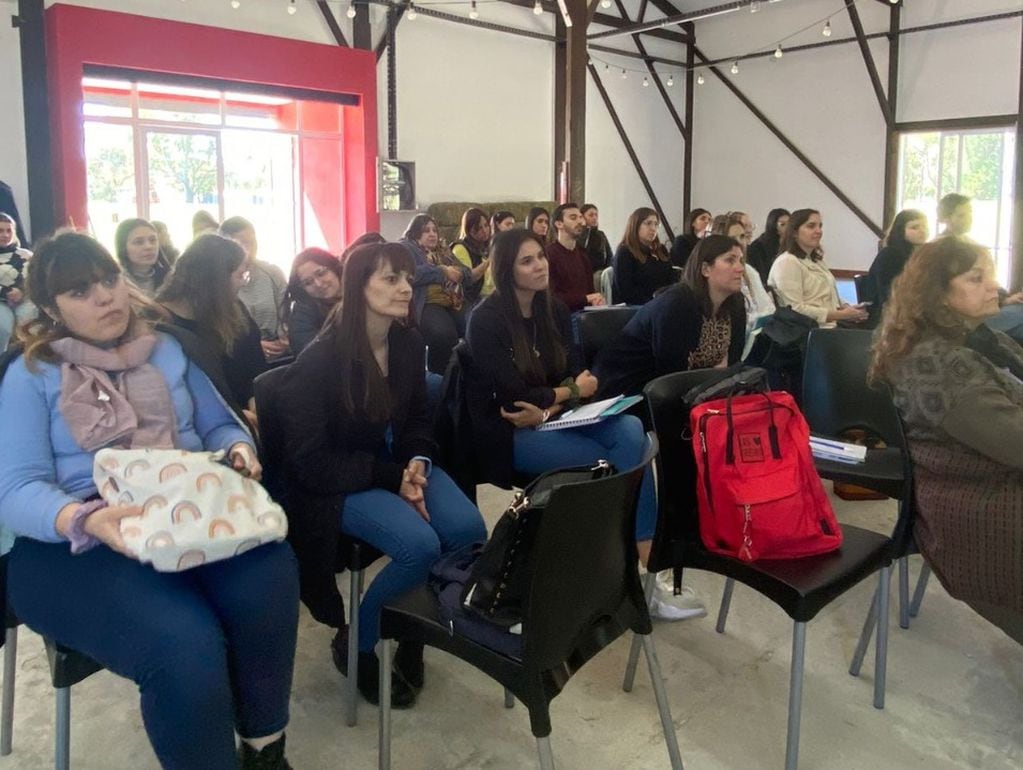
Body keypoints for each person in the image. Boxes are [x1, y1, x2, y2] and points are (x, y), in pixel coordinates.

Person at [0, 231, 299, 770]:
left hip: (179, 508)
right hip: (76, 538)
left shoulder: (166, 347)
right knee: (184, 644)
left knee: (270, 573)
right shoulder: (31, 374)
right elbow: (14, 490)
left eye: (109, 280)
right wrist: (84, 518)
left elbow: (217, 424)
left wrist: (236, 448)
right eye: (80, 291)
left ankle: (264, 750)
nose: (105, 297)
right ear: (49, 307)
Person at [279, 241, 487, 706]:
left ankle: (411, 628)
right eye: (390, 278)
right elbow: (311, 462)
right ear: (359, 288)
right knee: (419, 546)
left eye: (407, 278)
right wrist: (393, 476)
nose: (404, 287)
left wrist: (416, 461)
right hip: (338, 479)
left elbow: (416, 418)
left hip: (391, 462)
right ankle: (359, 639)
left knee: (469, 528)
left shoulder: (407, 342)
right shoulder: (319, 361)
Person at [465, 229, 702, 621]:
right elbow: (513, 399)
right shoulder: (485, 320)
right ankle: (625, 569)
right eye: (527, 260)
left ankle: (634, 562)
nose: (540, 264)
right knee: (616, 460)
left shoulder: (554, 310)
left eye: (540, 256)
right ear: (505, 269)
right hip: (509, 434)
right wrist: (565, 393)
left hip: (556, 420)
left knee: (631, 433)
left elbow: (581, 376)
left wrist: (557, 399)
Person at [870, 237, 1023, 645]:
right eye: (977, 278)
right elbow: (1017, 444)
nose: (995, 285)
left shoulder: (980, 340)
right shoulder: (939, 364)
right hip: (977, 506)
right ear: (937, 292)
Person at [594, 234, 747, 398]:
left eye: (740, 260)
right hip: (628, 388)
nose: (740, 268)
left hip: (687, 390)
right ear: (705, 269)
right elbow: (671, 376)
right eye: (730, 260)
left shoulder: (735, 304)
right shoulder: (677, 303)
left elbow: (733, 366)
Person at [156, 234, 267, 415]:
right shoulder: (161, 325)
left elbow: (255, 367)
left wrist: (256, 404)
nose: (242, 283)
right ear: (217, 279)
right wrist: (237, 416)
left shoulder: (233, 309)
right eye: (240, 276)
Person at [768, 208, 868, 328]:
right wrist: (841, 314)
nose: (818, 231)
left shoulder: (816, 261)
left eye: (820, 226)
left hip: (830, 325)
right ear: (794, 233)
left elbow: (828, 294)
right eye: (811, 226)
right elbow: (795, 310)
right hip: (809, 331)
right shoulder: (787, 262)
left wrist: (847, 308)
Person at [400, 213, 469, 374]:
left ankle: (465, 376)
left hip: (451, 299)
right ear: (414, 232)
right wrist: (441, 271)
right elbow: (410, 274)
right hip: (425, 302)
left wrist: (460, 273)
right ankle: (440, 379)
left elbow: (465, 271)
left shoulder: (443, 250)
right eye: (426, 231)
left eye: (434, 231)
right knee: (443, 334)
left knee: (475, 323)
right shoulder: (406, 247)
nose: (432, 234)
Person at [220, 216, 289, 361]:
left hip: (278, 350)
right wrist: (253, 345)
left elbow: (285, 313)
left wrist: (284, 340)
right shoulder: (219, 281)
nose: (249, 248)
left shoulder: (272, 273)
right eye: (242, 243)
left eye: (252, 242)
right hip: (241, 353)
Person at [713, 212, 775, 343]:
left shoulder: (749, 271)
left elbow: (767, 308)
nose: (740, 243)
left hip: (756, 337)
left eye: (742, 236)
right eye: (732, 237)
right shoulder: (716, 274)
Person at [864, 209, 928, 316]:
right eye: (915, 227)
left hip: (912, 311)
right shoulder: (889, 255)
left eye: (925, 226)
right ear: (901, 230)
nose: (922, 230)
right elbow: (889, 294)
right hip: (887, 316)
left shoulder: (924, 255)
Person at [281, 247, 343, 356]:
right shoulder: (302, 314)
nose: (318, 284)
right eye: (308, 282)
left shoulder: (361, 293)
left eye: (321, 273)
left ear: (334, 268)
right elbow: (313, 356)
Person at [546, 203, 605, 312]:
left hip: (584, 314)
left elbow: (590, 291)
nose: (580, 222)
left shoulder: (582, 254)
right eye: (573, 218)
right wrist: (586, 298)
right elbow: (551, 297)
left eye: (580, 217)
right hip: (562, 316)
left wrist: (597, 300)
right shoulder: (549, 254)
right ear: (559, 224)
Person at [612, 207, 676, 305]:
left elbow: (671, 280)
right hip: (635, 308)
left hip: (661, 304)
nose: (653, 228)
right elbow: (626, 291)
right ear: (635, 225)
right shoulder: (625, 252)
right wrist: (655, 304)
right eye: (648, 223)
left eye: (656, 224)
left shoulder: (661, 249)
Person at [0, 211, 36, 348]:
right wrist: (6, 292)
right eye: (1, 230)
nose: (5, 235)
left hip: (25, 298)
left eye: (9, 230)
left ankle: (32, 358)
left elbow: (36, 279)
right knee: (3, 326)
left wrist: (22, 292)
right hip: (1, 301)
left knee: (31, 322)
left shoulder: (26, 255)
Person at [114, 218, 172, 298]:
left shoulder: (169, 280)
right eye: (139, 242)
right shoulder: (115, 283)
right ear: (123, 247)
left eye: (153, 240)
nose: (149, 247)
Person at [450, 207, 491, 307]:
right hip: (473, 298)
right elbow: (468, 280)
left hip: (493, 294)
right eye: (479, 228)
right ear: (469, 230)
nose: (485, 230)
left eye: (486, 225)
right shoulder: (460, 248)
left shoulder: (487, 245)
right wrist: (490, 261)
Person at [746, 208, 789, 286]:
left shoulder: (793, 244)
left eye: (790, 223)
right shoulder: (758, 247)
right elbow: (762, 275)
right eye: (782, 224)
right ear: (773, 226)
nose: (788, 228)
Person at [579, 203, 614, 277]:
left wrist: (606, 272)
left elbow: (609, 256)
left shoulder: (601, 235)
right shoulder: (579, 234)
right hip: (584, 274)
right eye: (591, 215)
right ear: (582, 217)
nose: (594, 218)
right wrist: (585, 229)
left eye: (596, 215)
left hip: (601, 273)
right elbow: (581, 251)